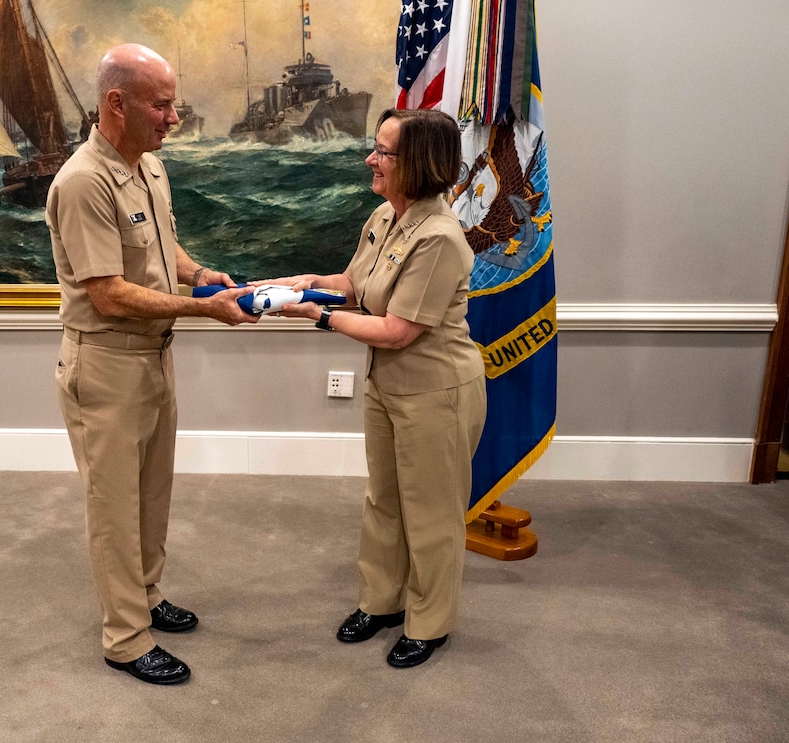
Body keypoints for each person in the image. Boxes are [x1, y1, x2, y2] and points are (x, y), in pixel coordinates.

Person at [46, 43, 258, 686]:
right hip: (106, 365)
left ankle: (144, 593)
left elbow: (162, 249)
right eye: (161, 104)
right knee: (113, 508)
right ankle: (125, 638)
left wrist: (199, 275)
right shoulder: (83, 181)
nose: (174, 117)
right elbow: (107, 293)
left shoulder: (148, 169)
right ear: (117, 104)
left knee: (151, 495)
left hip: (153, 359)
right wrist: (204, 307)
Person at [260, 108, 487, 668]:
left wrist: (317, 317)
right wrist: (309, 284)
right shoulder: (385, 217)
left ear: (417, 164)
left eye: (383, 152)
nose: (371, 159)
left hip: (437, 392)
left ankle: (429, 622)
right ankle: (381, 602)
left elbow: (396, 330)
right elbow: (355, 285)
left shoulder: (439, 238)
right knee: (383, 500)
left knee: (430, 511)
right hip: (388, 387)